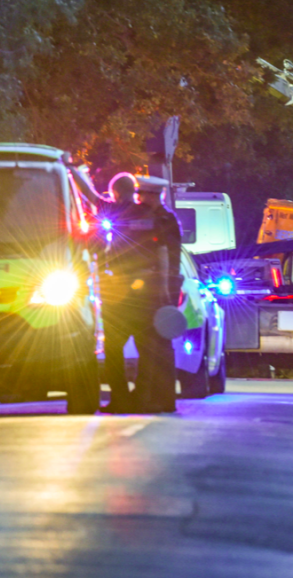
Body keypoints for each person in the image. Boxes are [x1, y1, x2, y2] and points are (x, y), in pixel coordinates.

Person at [99, 173, 180, 413]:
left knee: (144, 348)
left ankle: (140, 399)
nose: (139, 198)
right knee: (152, 348)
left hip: (139, 295)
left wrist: (167, 292)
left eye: (142, 195)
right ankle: (146, 399)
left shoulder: (152, 217)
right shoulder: (159, 218)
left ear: (152, 196)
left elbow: (167, 258)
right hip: (149, 295)